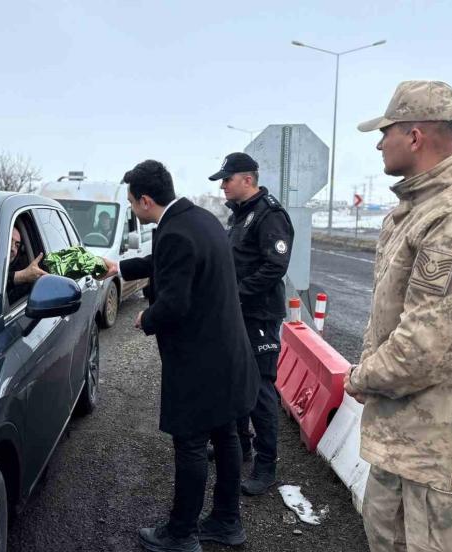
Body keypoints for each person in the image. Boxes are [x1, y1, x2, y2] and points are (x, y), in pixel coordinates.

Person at [345, 80, 452, 552]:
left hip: (443, 449)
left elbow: (426, 347)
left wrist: (362, 378)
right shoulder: (423, 208)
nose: (380, 144)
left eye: (386, 133)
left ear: (415, 136)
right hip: (410, 437)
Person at [100, 160, 258, 552]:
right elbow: (165, 263)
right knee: (226, 435)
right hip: (227, 354)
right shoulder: (199, 219)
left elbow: (174, 303)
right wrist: (118, 268)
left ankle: (181, 533)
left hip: (199, 362)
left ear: (145, 200)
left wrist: (146, 318)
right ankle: (226, 522)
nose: (132, 208)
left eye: (131, 202)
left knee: (190, 443)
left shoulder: (174, 232)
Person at [208, 152, 294, 496]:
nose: (222, 186)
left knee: (259, 390)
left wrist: (236, 293)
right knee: (235, 382)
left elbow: (275, 266)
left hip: (259, 315)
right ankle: (240, 446)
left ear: (247, 179)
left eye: (226, 179)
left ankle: (265, 466)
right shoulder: (240, 215)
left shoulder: (269, 215)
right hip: (238, 314)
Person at [6, 225, 46, 304]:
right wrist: (21, 276)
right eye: (9, 240)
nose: (13, 248)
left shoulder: (22, 287)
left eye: (17, 245)